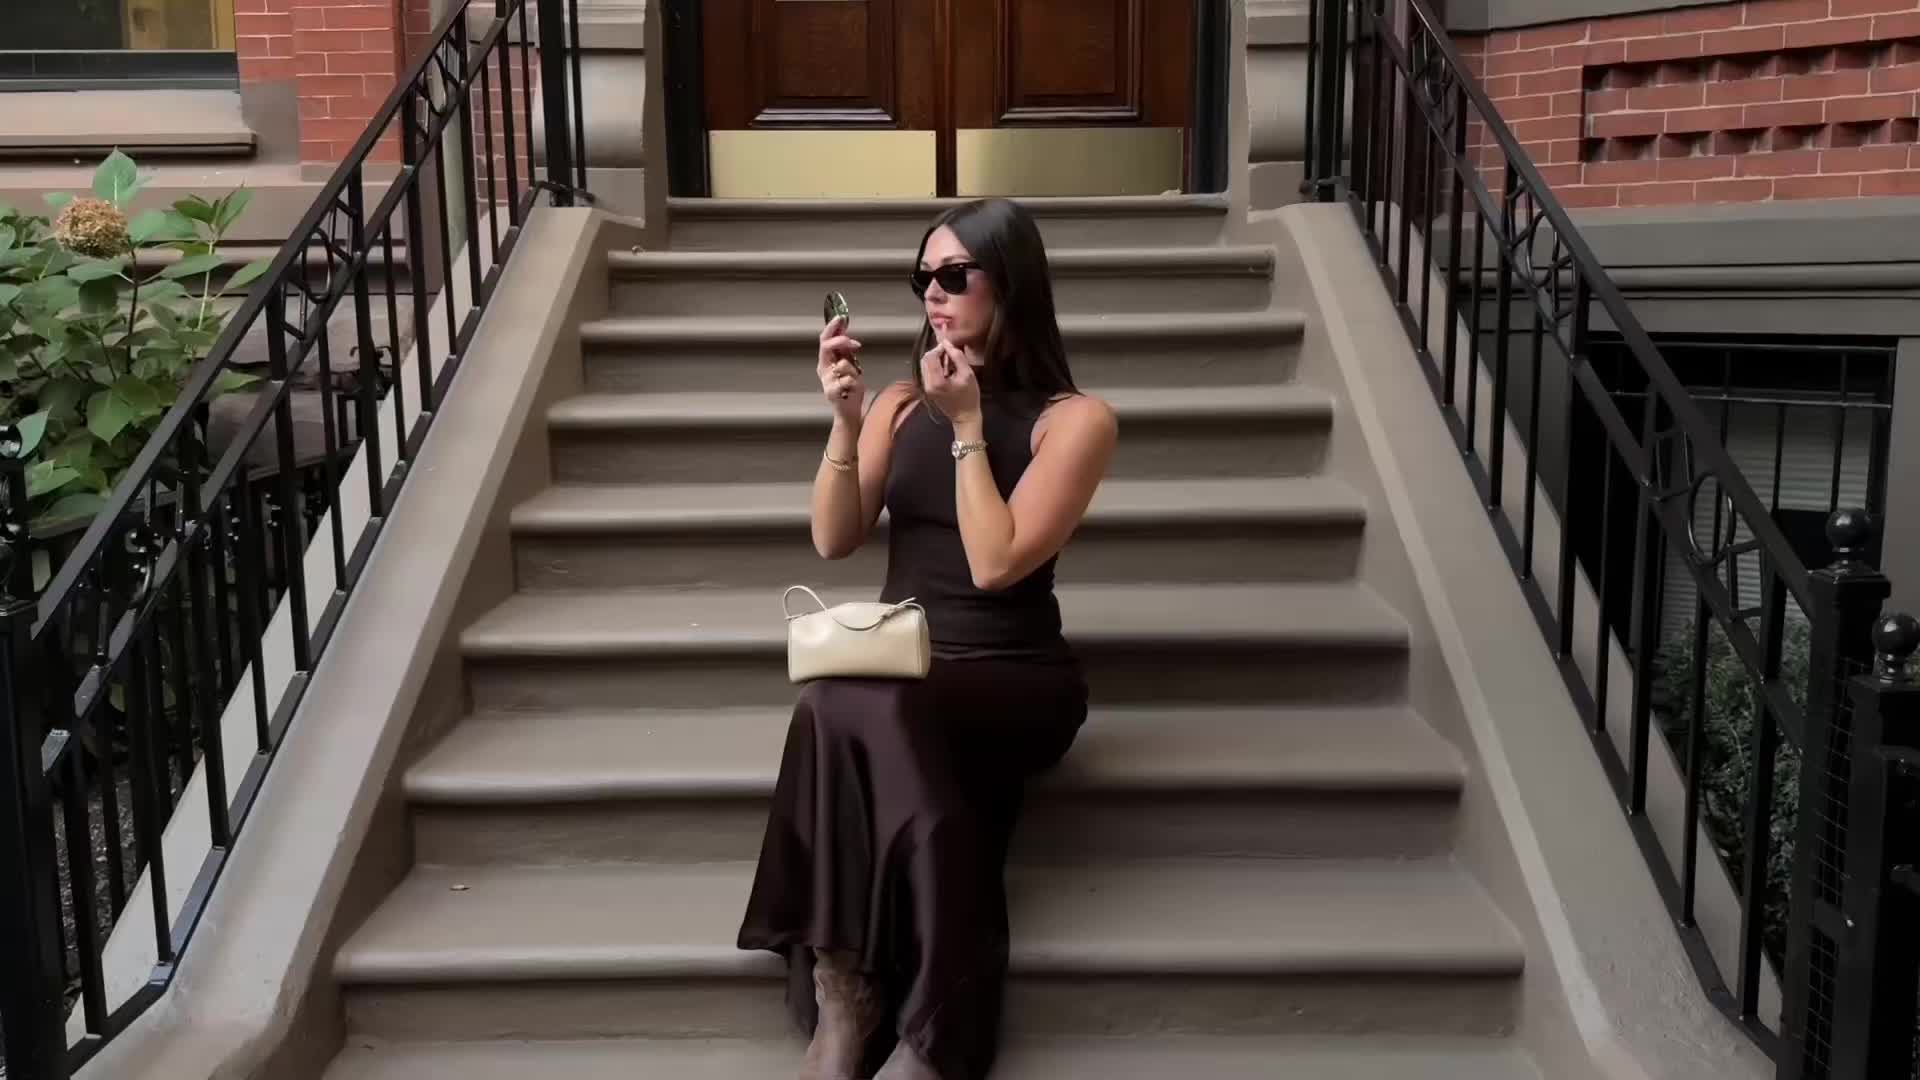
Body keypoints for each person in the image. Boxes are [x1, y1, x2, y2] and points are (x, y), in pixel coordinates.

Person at [736, 198, 1120, 1080]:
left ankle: (926, 1026)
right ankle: (846, 991)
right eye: (922, 279)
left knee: (864, 707)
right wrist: (846, 420)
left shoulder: (1075, 420)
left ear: (1010, 283)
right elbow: (834, 538)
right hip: (903, 664)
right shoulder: (902, 404)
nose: (933, 295)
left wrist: (971, 427)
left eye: (953, 275)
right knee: (839, 703)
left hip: (1014, 674)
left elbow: (996, 564)